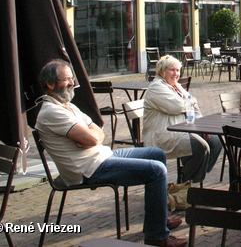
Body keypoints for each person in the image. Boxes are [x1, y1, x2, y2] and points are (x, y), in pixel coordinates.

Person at [35, 60, 186, 247]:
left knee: (156, 154)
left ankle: (157, 220)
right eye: (67, 80)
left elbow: (97, 131)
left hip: (100, 156)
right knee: (156, 171)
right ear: (50, 84)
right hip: (87, 169)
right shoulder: (52, 111)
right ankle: (157, 237)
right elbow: (92, 138)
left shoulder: (67, 106)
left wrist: (93, 137)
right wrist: (92, 137)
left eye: (72, 79)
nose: (73, 83)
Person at [143, 55, 221, 184]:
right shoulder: (156, 87)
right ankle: (187, 184)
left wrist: (203, 126)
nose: (176, 74)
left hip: (183, 130)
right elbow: (177, 106)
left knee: (215, 141)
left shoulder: (176, 86)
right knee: (199, 147)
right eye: (172, 70)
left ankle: (193, 176)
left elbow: (194, 107)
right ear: (162, 71)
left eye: (178, 70)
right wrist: (191, 101)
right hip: (163, 134)